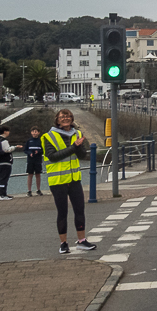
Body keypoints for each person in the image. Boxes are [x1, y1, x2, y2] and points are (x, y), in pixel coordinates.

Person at [41, 109, 96, 255]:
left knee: (79, 210)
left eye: (68, 116)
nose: (65, 119)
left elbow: (82, 155)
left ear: (71, 119)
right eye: (62, 117)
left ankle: (82, 241)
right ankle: (63, 243)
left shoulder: (77, 134)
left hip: (74, 179)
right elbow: (52, 156)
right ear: (57, 120)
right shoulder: (48, 136)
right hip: (58, 180)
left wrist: (78, 147)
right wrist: (73, 147)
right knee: (62, 212)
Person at [0, 126, 23, 200]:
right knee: (4, 178)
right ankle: (3, 195)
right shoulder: (4, 141)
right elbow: (7, 150)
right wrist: (15, 147)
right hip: (5, 162)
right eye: (8, 131)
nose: (9, 132)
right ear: (5, 132)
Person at [23, 127, 45, 196]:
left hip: (38, 160)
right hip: (30, 160)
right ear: (31, 133)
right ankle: (29, 191)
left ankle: (38, 190)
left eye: (35, 131)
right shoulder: (29, 141)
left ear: (38, 132)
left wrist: (38, 152)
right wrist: (30, 153)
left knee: (38, 175)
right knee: (30, 175)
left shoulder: (41, 140)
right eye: (33, 131)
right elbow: (25, 150)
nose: (34, 133)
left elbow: (43, 150)